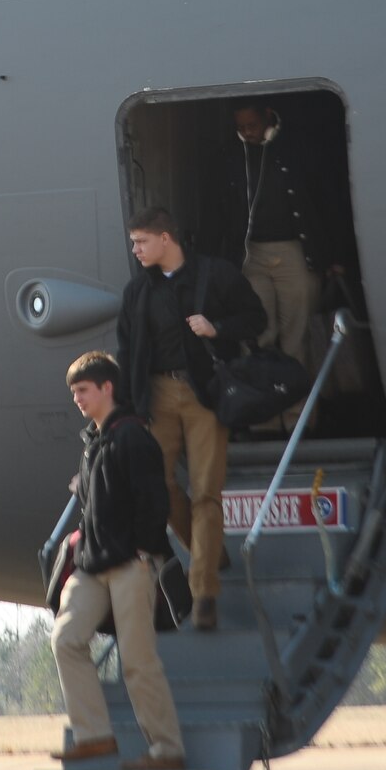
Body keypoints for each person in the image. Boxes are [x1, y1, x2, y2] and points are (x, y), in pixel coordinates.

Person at [116, 206, 265, 631]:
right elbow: (127, 355)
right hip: (157, 396)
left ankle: (204, 592)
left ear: (167, 239)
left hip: (204, 394)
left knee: (206, 492)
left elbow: (256, 319)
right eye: (133, 242)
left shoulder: (215, 276)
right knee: (158, 489)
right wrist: (126, 412)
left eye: (141, 241)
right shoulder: (136, 293)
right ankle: (208, 551)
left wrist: (216, 328)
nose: (135, 249)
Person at [49, 352, 185, 770]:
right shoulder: (93, 442)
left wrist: (145, 552)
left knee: (138, 662)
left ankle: (166, 750)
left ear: (107, 388)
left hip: (131, 564)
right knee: (66, 639)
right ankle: (94, 736)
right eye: (73, 392)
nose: (77, 399)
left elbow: (155, 502)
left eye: (83, 390)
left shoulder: (134, 438)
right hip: (92, 566)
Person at [223, 101, 338, 364]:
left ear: (267, 116)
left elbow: (328, 201)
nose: (247, 132)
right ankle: (262, 401)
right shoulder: (230, 153)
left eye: (252, 125)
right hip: (249, 254)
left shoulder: (300, 145)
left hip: (296, 251)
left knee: (297, 335)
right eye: (240, 127)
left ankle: (299, 406)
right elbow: (217, 212)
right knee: (255, 331)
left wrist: (334, 254)